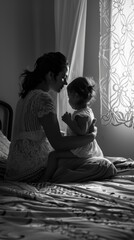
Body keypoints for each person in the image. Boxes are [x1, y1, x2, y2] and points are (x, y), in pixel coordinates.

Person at [4, 52, 98, 182]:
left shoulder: (25, 97)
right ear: (50, 75)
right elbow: (58, 143)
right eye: (63, 77)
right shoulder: (42, 98)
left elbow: (35, 134)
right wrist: (90, 137)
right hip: (31, 169)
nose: (65, 82)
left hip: (15, 168)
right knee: (101, 166)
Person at [43, 76, 117, 182]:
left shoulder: (81, 115)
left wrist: (69, 121)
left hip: (81, 149)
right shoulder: (88, 111)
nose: (68, 100)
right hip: (83, 147)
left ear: (76, 96)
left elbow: (81, 132)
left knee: (53, 155)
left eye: (69, 97)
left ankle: (46, 178)